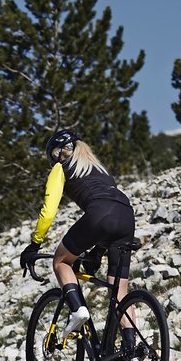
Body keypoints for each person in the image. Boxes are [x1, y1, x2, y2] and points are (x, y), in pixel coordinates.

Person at [19, 129, 136, 343]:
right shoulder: (100, 169)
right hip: (127, 215)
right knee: (120, 292)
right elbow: (111, 218)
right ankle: (133, 354)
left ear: (60, 153)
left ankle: (77, 310)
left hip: (100, 214)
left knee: (61, 261)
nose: (56, 159)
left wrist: (34, 245)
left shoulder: (61, 168)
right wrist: (97, 252)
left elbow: (49, 211)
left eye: (55, 154)